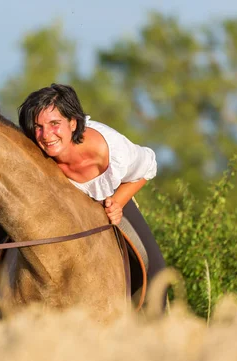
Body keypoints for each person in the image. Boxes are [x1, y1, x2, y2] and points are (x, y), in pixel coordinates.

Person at [17, 83, 165, 291]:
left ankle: (152, 320)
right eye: (38, 127)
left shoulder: (112, 150)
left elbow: (148, 166)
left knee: (156, 272)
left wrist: (117, 204)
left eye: (54, 123)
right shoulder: (35, 152)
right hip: (64, 212)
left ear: (73, 124)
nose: (46, 135)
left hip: (109, 199)